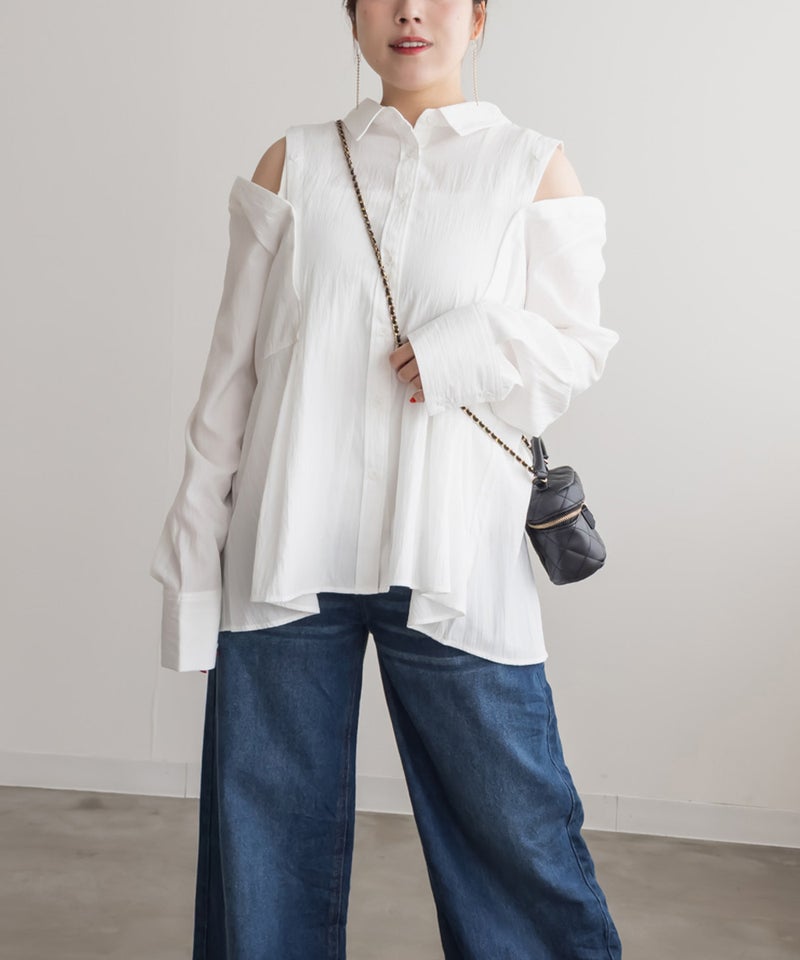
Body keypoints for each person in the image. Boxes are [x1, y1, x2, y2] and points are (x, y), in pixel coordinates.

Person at [149, 0, 624, 956]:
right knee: (262, 858)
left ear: (479, 17)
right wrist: (193, 577)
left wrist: (468, 346)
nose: (410, 11)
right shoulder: (292, 162)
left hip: (455, 555)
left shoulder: (531, 166)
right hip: (284, 552)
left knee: (516, 837)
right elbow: (229, 380)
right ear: (355, 17)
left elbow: (576, 352)